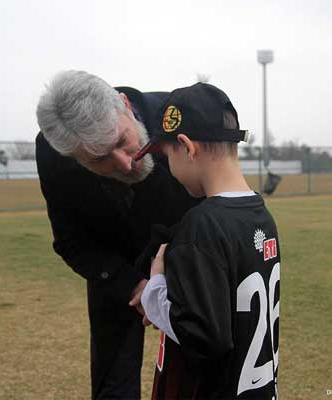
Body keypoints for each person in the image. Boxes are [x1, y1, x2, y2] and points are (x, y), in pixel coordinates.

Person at [35, 70, 200, 399]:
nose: (125, 164)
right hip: (115, 269)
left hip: (191, 255)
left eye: (122, 142)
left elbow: (219, 199)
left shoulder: (180, 114)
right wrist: (132, 284)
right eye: (99, 159)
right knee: (113, 382)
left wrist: (175, 274)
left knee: (204, 369)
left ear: (124, 105)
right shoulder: (54, 154)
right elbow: (71, 241)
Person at [137, 83, 281, 399]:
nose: (168, 169)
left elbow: (204, 337)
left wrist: (156, 289)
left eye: (167, 155)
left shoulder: (202, 226)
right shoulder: (260, 214)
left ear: (187, 147)